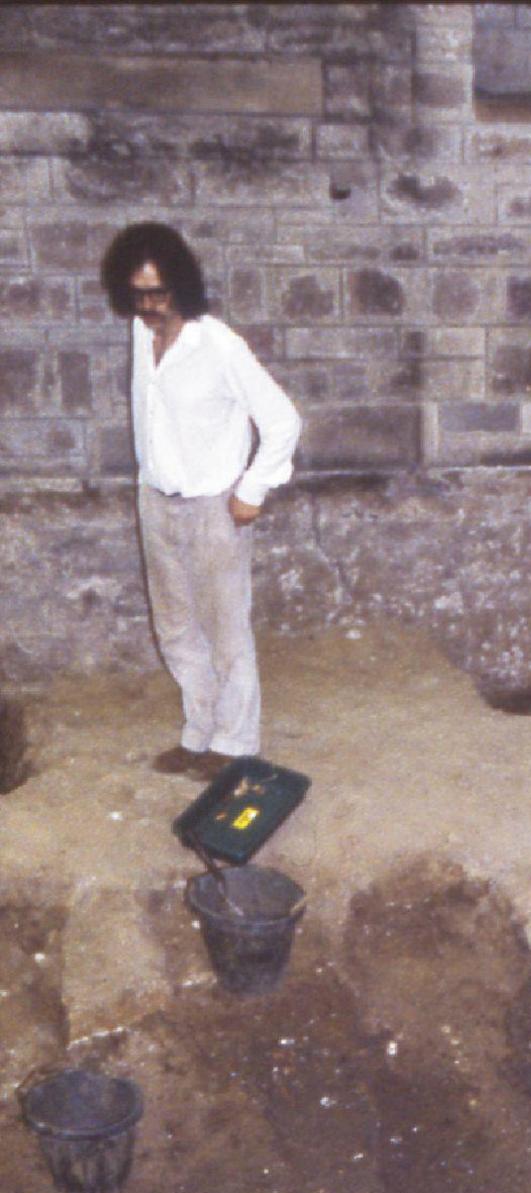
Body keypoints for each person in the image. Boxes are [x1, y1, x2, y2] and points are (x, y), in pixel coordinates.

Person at [100, 222, 301, 779]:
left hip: (216, 506)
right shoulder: (143, 333)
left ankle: (235, 742)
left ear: (181, 286)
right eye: (137, 294)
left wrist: (252, 489)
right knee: (175, 627)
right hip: (156, 499)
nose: (149, 306)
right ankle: (198, 734)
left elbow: (282, 420)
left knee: (224, 630)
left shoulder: (218, 345)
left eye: (158, 293)